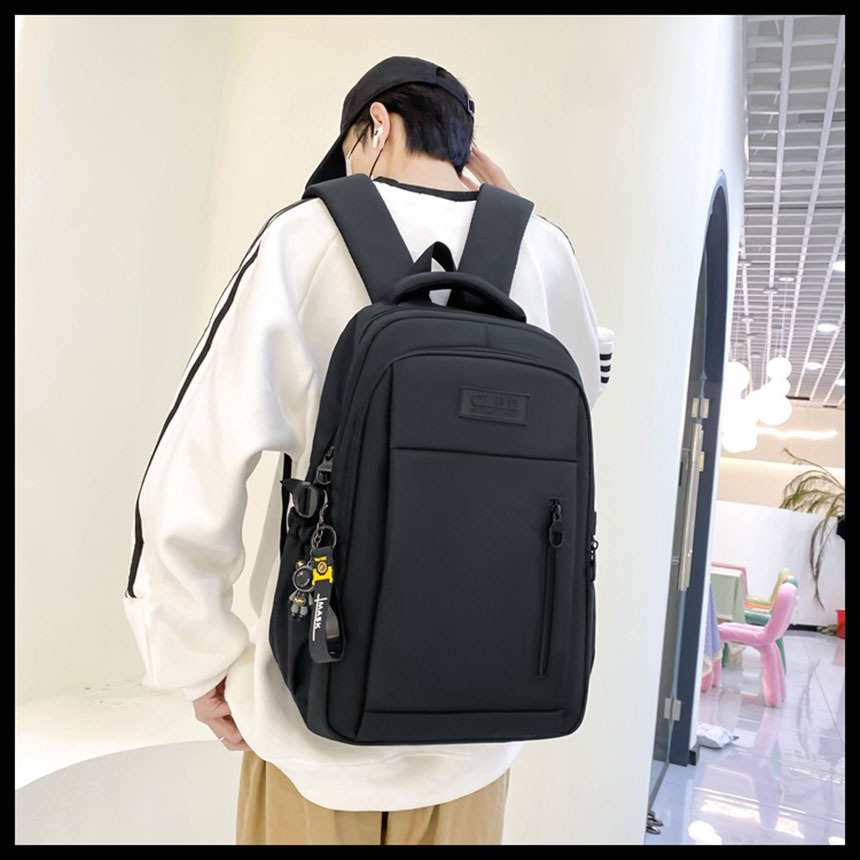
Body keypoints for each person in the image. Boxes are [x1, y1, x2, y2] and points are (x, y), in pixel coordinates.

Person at [122, 55, 614, 845]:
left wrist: (196, 657)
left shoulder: (302, 237)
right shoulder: (543, 247)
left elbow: (195, 464)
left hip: (315, 729)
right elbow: (587, 390)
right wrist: (530, 227)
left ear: (377, 126)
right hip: (481, 742)